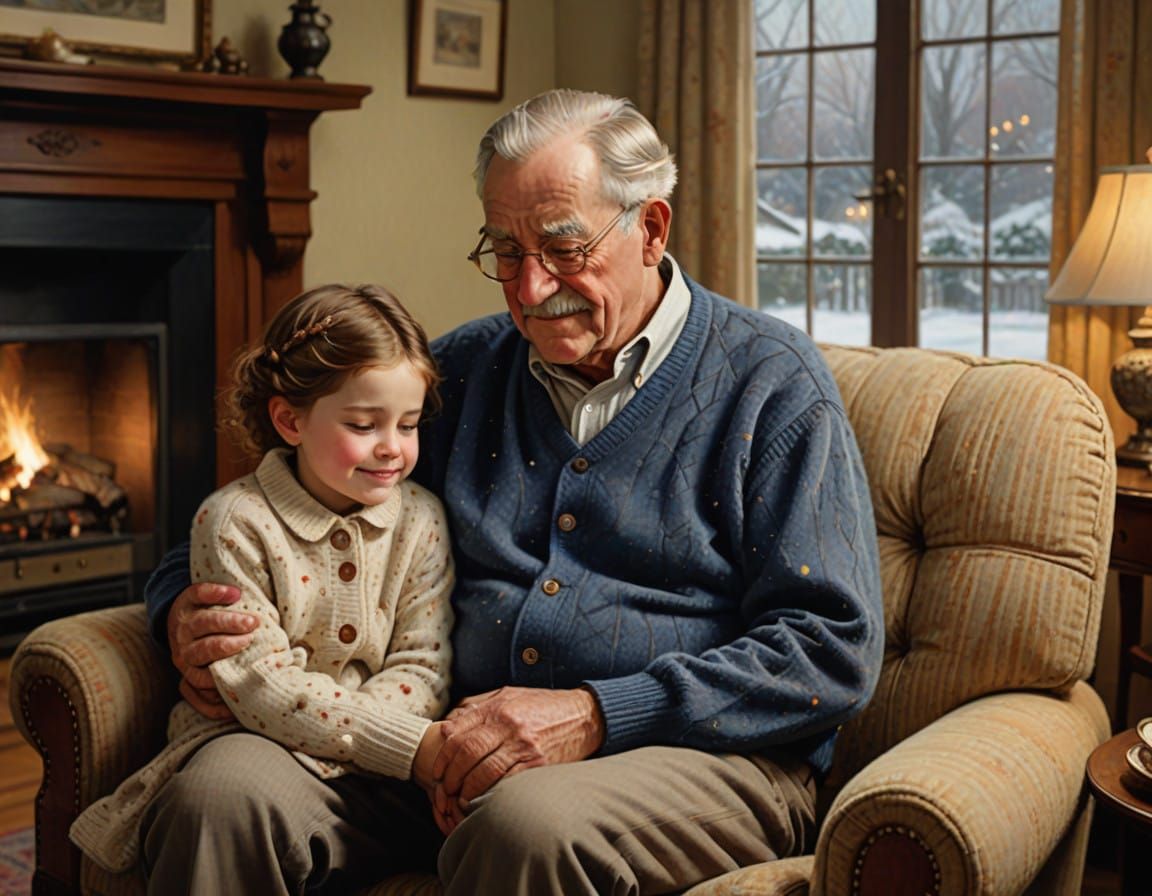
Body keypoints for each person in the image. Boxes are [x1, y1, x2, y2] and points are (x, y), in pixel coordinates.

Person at [143, 89, 884, 895]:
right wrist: (182, 606)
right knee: (223, 792)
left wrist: (597, 713)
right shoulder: (460, 370)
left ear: (652, 228)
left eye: (564, 250)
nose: (530, 289)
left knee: (525, 822)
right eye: (504, 251)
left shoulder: (772, 384)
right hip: (444, 750)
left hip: (702, 763)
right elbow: (270, 508)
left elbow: (829, 648)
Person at [70, 284, 455, 886]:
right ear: (289, 419)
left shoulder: (422, 521)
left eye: (408, 425)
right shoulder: (233, 523)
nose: (392, 448)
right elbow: (259, 685)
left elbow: (423, 668)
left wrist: (373, 742)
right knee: (219, 793)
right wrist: (398, 744)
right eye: (363, 423)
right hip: (253, 745)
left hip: (386, 765)